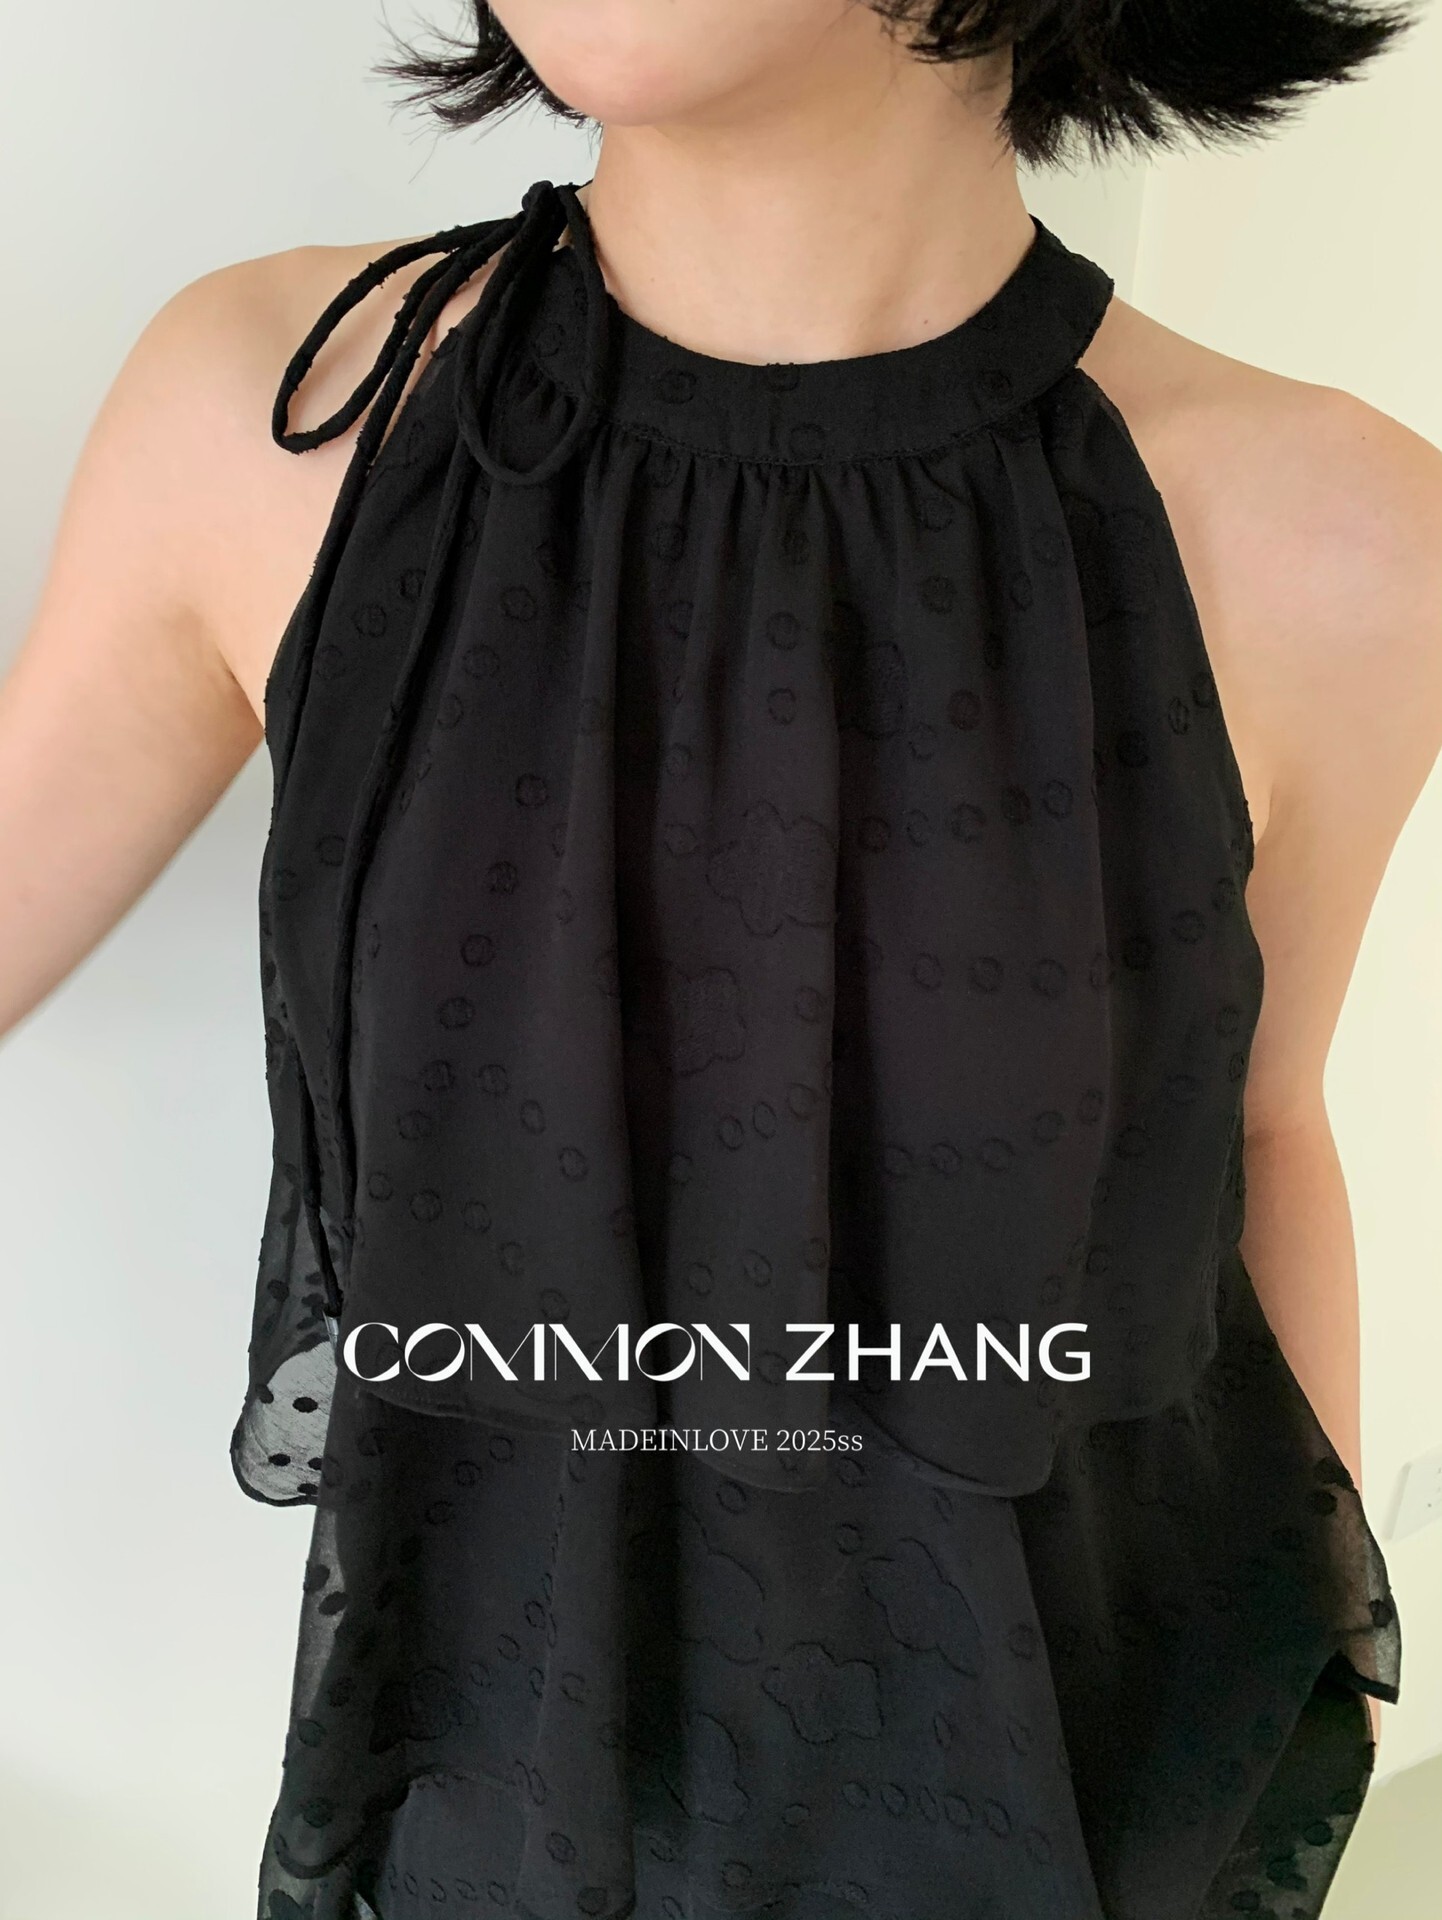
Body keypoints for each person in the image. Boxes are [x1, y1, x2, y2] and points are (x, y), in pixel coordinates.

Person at [2, 3, 1439, 1917]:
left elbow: (1252, 1133)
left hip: (1075, 1812)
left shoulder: (1343, 534)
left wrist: (1302, 1738)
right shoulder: (286, 414)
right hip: (499, 1809)